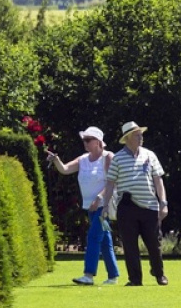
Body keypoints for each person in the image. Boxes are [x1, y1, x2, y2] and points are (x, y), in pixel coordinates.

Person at [47, 127, 121, 286]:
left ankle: (88, 275)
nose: (85, 143)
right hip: (91, 208)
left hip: (104, 207)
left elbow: (112, 182)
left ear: (98, 142)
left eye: (88, 140)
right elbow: (65, 169)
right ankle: (113, 276)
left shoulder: (108, 157)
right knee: (105, 240)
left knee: (93, 237)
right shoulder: (83, 159)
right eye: (84, 140)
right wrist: (56, 160)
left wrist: (99, 198)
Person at [102, 121, 169, 286]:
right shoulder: (117, 158)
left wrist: (163, 202)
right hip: (127, 206)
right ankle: (135, 279)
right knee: (130, 246)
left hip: (149, 206)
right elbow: (110, 183)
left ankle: (159, 273)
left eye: (141, 134)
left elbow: (158, 180)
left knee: (154, 243)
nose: (141, 137)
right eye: (138, 135)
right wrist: (105, 206)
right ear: (128, 138)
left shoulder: (150, 155)